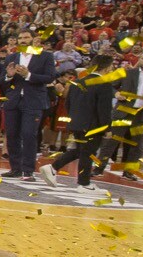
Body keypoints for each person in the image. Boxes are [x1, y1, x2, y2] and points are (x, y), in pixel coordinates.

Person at [40, 53, 117, 190]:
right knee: (88, 153)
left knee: (80, 151)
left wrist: (76, 120)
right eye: (111, 66)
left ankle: (52, 167)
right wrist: (107, 129)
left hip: (76, 124)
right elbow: (103, 110)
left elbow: (68, 105)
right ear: (106, 68)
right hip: (93, 126)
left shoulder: (77, 83)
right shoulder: (104, 85)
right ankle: (84, 183)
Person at [0, 27, 56, 181]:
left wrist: (29, 75)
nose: (23, 40)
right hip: (13, 100)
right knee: (12, 135)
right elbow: (1, 81)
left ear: (33, 39)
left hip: (34, 101)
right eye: (20, 38)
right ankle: (15, 168)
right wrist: (9, 76)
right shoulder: (11, 57)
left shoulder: (45, 56)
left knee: (29, 134)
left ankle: (28, 171)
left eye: (26, 37)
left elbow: (50, 77)